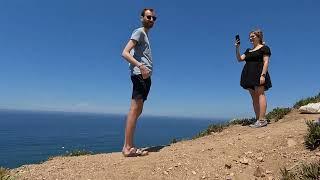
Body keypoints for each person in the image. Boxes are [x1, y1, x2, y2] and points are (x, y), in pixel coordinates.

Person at [121, 8, 157, 157]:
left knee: (138, 110)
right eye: (148, 17)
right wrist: (141, 66)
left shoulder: (145, 35)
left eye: (154, 18)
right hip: (139, 75)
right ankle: (128, 147)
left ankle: (128, 145)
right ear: (141, 17)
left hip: (145, 77)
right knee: (135, 109)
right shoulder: (139, 32)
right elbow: (125, 52)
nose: (151, 20)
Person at [235, 29, 272, 128]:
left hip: (259, 73)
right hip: (248, 74)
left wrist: (263, 75)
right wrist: (237, 48)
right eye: (250, 36)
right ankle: (258, 119)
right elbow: (239, 59)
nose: (250, 38)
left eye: (253, 36)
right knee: (254, 98)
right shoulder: (248, 50)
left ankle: (262, 120)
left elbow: (266, 62)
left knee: (260, 94)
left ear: (259, 37)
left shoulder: (264, 48)